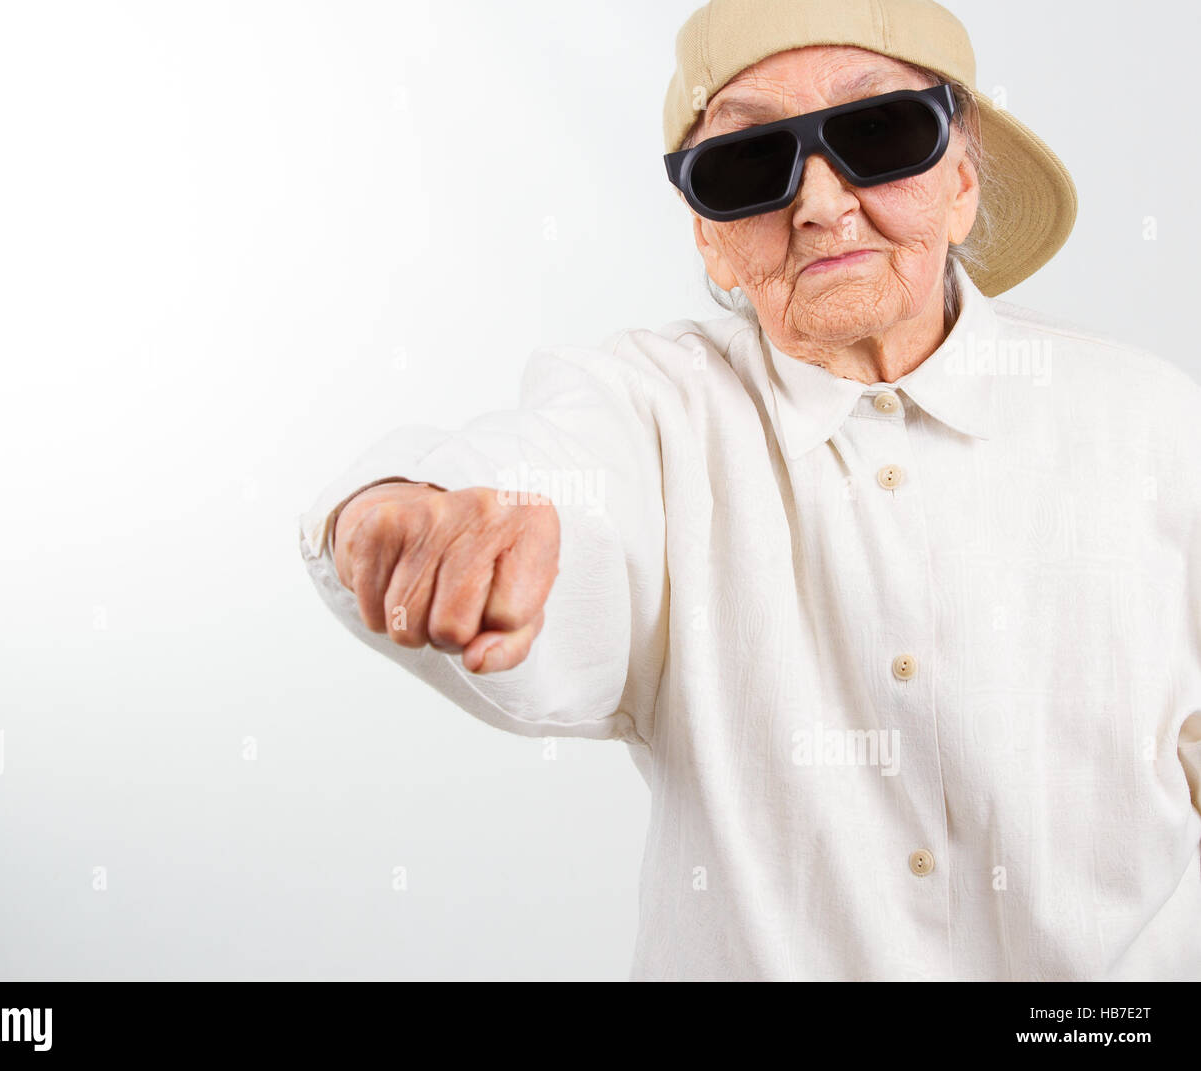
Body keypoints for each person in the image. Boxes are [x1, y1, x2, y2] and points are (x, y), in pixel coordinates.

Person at [297, 0, 1201, 980]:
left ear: (961, 179)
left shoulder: (1152, 423)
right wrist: (409, 513)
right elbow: (548, 481)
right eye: (746, 164)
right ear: (706, 237)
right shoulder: (653, 414)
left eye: (878, 132)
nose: (818, 203)